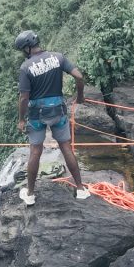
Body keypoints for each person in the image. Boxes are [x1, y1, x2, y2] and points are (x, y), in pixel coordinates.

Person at [14, 30, 90, 205]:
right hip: (58, 110)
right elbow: (78, 76)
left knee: (35, 152)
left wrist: (21, 119)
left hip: (36, 115)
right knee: (66, 148)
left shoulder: (26, 68)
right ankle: (80, 189)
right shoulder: (58, 57)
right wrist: (80, 97)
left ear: (26, 48)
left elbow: (24, 97)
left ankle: (31, 194)